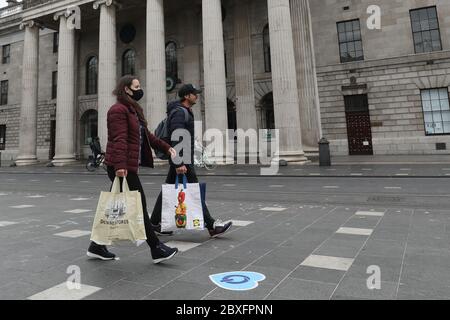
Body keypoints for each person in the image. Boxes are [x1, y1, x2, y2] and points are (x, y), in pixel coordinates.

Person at [87, 75, 179, 264]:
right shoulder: (117, 110)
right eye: (137, 86)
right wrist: (120, 166)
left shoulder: (132, 110)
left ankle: (96, 246)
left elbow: (148, 136)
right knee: (138, 206)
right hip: (121, 167)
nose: (140, 89)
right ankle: (156, 248)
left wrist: (166, 147)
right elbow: (118, 139)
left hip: (127, 166)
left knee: (119, 206)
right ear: (127, 89)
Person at [150, 84, 232, 237]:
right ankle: (212, 225)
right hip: (182, 159)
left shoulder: (184, 111)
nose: (197, 96)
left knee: (169, 189)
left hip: (183, 157)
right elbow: (178, 136)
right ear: (187, 96)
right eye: (194, 94)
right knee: (194, 191)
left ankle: (153, 224)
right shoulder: (180, 113)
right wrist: (179, 162)